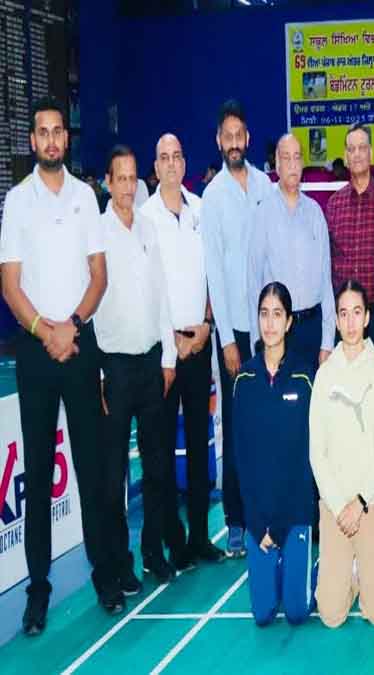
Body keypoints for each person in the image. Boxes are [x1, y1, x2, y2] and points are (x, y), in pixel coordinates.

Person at [1, 98, 107, 635]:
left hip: (79, 346)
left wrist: (74, 326)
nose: (50, 140)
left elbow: (99, 276)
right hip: (38, 353)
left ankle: (104, 574)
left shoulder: (87, 197)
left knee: (92, 467)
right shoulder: (17, 202)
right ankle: (38, 590)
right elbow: (10, 285)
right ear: (33, 141)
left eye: (57, 131)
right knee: (39, 473)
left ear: (67, 138)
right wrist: (48, 332)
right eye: (41, 132)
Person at [92, 145, 175, 602]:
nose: (127, 187)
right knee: (112, 477)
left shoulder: (147, 228)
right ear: (108, 183)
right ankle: (118, 565)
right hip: (115, 368)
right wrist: (99, 374)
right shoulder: (97, 234)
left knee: (158, 467)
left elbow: (161, 295)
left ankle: (152, 552)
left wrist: (167, 358)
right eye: (119, 179)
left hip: (150, 363)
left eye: (131, 178)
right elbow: (89, 306)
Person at [201, 98, 275, 557]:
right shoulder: (212, 197)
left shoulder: (266, 185)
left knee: (266, 422)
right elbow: (214, 269)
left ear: (247, 138)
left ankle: (265, 511)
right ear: (219, 141)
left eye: (238, 135)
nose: (233, 142)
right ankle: (235, 519)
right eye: (226, 136)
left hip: (268, 327)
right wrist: (226, 339)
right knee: (235, 425)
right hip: (234, 333)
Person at [140, 132, 209, 580]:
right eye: (162, 157)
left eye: (176, 156)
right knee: (161, 452)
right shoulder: (144, 218)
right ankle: (169, 541)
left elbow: (209, 275)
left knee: (200, 447)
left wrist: (205, 326)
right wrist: (173, 343)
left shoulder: (200, 210)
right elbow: (149, 290)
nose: (170, 164)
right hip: (164, 352)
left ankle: (200, 537)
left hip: (199, 343)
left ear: (184, 164)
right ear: (156, 166)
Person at [309, 280, 374, 627]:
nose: (349, 322)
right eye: (343, 314)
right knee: (331, 615)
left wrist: (359, 502)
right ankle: (346, 571)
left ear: (367, 317)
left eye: (356, 313)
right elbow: (317, 452)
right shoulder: (324, 375)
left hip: (369, 503)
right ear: (336, 319)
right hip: (334, 508)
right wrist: (337, 503)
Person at [233, 282, 317, 626]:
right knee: (263, 614)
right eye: (264, 314)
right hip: (259, 517)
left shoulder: (304, 378)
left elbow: (305, 462)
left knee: (296, 612)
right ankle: (279, 565)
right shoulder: (244, 380)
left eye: (277, 314)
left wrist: (280, 526)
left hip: (294, 512)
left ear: (289, 321)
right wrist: (257, 524)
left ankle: (322, 566)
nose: (270, 323)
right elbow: (242, 461)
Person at [246, 134, 335, 369]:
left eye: (297, 157)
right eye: (286, 158)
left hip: (313, 330)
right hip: (277, 331)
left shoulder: (315, 213)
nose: (293, 164)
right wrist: (257, 341)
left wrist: (327, 341)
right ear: (277, 165)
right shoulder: (263, 214)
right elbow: (253, 282)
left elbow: (326, 281)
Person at [325, 123, 374, 367]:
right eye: (351, 149)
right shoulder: (334, 205)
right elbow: (328, 262)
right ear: (345, 156)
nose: (356, 154)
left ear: (371, 153)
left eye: (362, 148)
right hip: (344, 318)